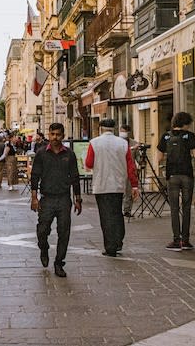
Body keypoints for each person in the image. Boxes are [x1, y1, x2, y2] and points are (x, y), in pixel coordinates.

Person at [30, 122, 82, 278]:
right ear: (49, 134)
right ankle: (44, 248)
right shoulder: (41, 153)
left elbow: (75, 176)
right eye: (52, 134)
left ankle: (59, 263)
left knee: (64, 232)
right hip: (47, 199)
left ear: (63, 135)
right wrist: (34, 197)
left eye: (58, 134)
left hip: (64, 199)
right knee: (42, 230)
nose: (55, 137)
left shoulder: (69, 154)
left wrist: (78, 198)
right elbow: (35, 176)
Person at [85, 119, 139, 256]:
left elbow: (89, 163)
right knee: (116, 214)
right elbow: (130, 166)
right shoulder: (123, 143)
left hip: (101, 185)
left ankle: (110, 247)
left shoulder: (94, 143)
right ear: (114, 129)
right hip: (118, 184)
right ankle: (118, 242)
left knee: (106, 216)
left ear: (100, 129)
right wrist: (134, 185)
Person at [156, 112, 195, 251]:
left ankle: (176, 241)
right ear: (186, 124)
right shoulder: (190, 136)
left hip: (172, 176)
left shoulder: (166, 136)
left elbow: (159, 158)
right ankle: (186, 241)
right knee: (186, 208)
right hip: (187, 175)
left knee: (174, 209)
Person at [119, 124, 139, 217]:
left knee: (129, 191)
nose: (122, 133)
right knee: (119, 191)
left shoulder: (134, 143)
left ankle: (127, 210)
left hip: (130, 170)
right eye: (121, 131)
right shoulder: (117, 142)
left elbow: (138, 158)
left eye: (124, 131)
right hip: (119, 170)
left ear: (128, 133)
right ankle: (118, 209)